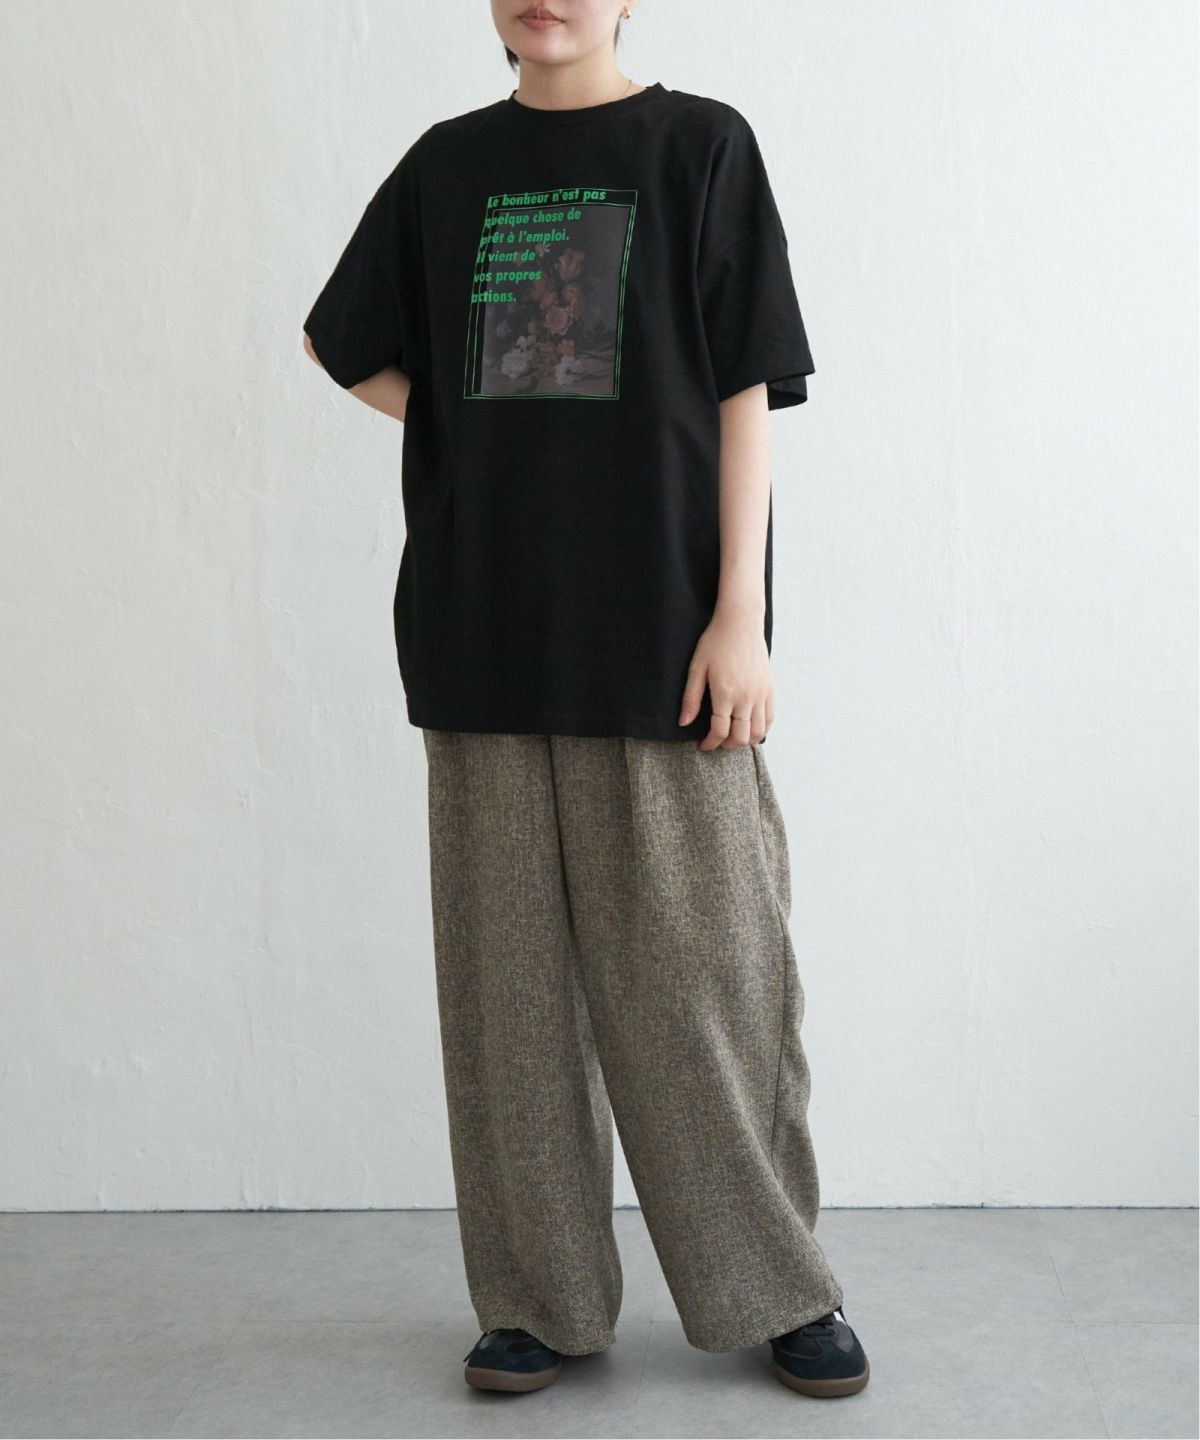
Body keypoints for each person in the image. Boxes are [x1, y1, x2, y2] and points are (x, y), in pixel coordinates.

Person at [302, 0, 870, 1401]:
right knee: (508, 1004)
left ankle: (777, 1283)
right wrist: (466, 422)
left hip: (663, 635)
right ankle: (537, 1301)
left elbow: (746, 390)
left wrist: (740, 617)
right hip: (484, 627)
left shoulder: (699, 149)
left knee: (708, 980)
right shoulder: (446, 167)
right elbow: (341, 340)